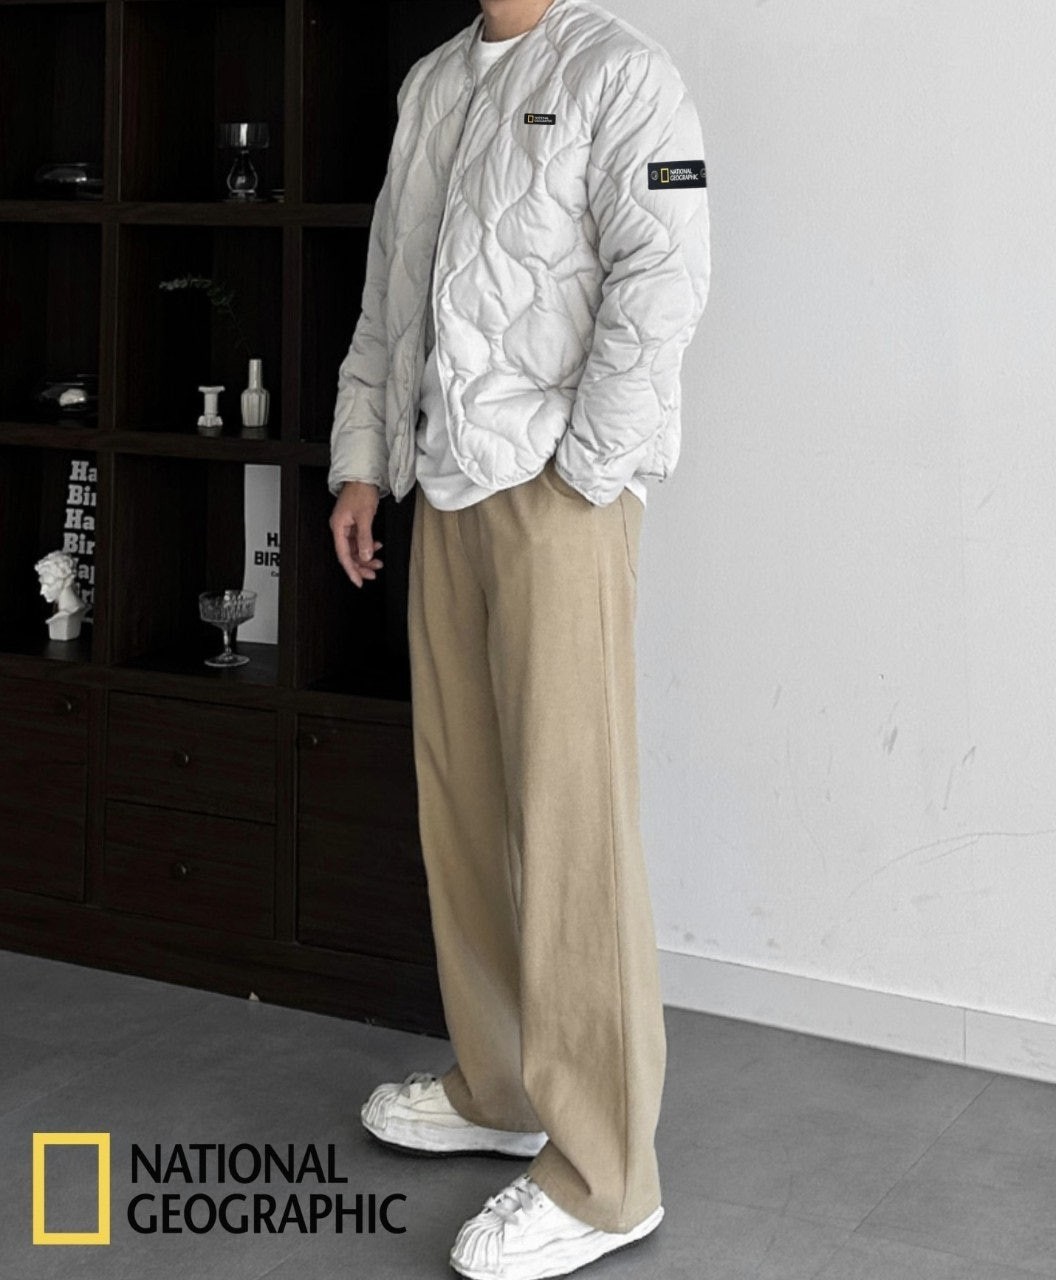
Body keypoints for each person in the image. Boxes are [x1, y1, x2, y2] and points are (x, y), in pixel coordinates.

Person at [327, 0, 710, 1274]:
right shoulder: (434, 81)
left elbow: (664, 281)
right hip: (444, 483)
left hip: (558, 496)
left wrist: (584, 471)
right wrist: (363, 462)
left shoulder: (623, 74)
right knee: (469, 804)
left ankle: (607, 1174)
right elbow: (391, 296)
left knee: (571, 820)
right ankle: (502, 1087)